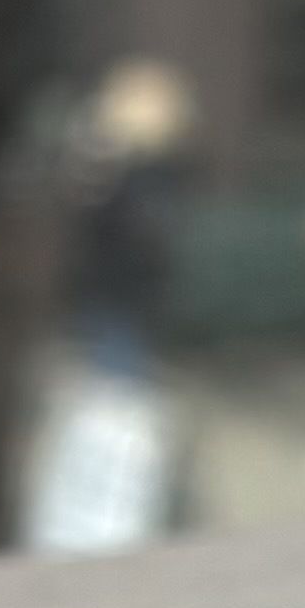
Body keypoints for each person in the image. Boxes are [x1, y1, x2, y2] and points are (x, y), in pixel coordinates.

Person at [65, 62, 193, 387]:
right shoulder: (153, 173)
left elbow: (113, 223)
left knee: (116, 369)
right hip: (126, 285)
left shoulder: (143, 176)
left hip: (119, 282)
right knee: (117, 362)